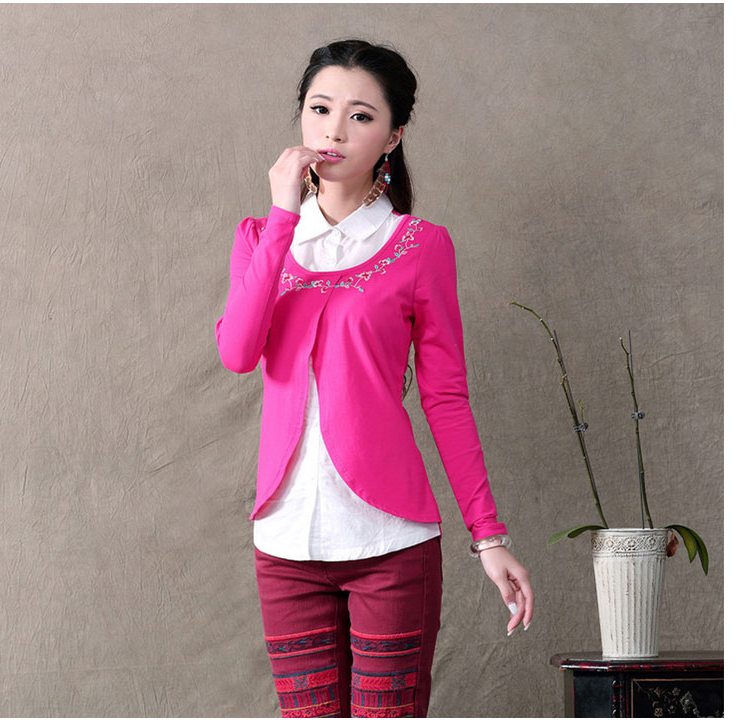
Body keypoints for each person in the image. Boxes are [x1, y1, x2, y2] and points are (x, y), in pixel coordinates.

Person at [215, 38, 534, 719]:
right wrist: (282, 216)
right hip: (284, 546)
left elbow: (446, 397)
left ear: (393, 136)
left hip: (389, 545)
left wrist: (489, 535)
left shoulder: (420, 247)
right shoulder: (261, 238)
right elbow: (238, 353)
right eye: (319, 108)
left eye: (360, 116)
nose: (333, 130)